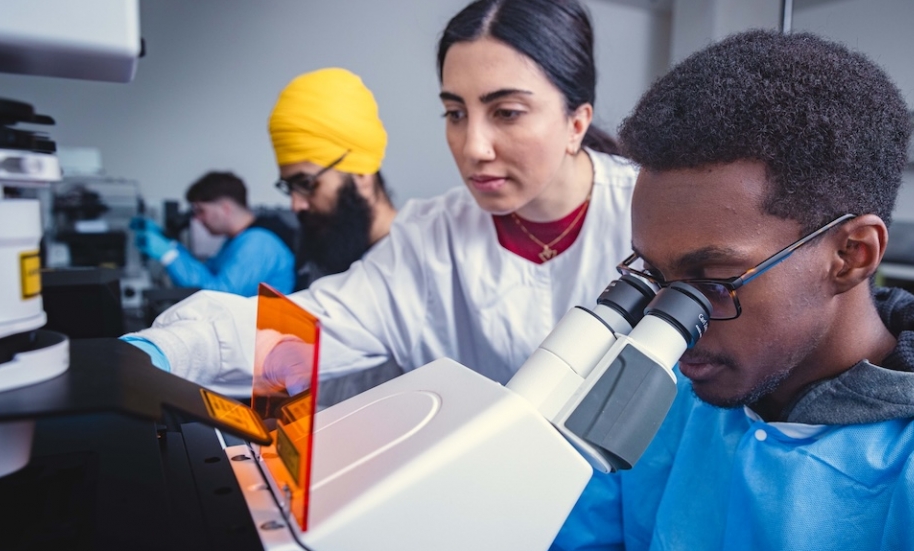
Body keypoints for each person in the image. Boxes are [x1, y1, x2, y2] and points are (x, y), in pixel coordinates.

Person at [516, 30, 914, 551]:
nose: (669, 320)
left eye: (711, 278)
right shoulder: (667, 401)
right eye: (653, 275)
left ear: (852, 255)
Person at [125, 0, 639, 402]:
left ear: (577, 121)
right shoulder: (429, 239)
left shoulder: (650, 217)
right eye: (455, 113)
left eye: (505, 112)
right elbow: (311, 324)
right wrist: (168, 350)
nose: (472, 148)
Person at [269, 68, 398, 290]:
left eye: (306, 184)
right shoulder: (331, 257)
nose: (295, 205)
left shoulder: (419, 266)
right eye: (289, 187)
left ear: (360, 173)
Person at [131, 171, 294, 296]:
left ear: (225, 208)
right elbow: (206, 274)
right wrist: (170, 244)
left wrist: (169, 256)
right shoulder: (237, 240)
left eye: (201, 211)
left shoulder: (258, 243)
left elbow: (219, 296)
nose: (197, 219)